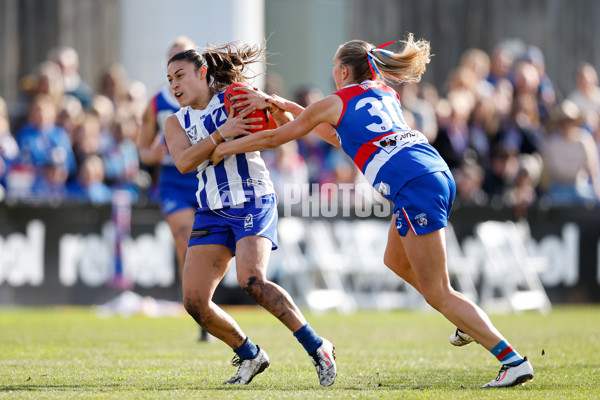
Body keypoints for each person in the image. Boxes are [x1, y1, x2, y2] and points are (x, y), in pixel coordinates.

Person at [211, 34, 534, 388]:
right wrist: (276, 101)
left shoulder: (336, 100)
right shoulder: (384, 93)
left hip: (414, 184)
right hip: (433, 170)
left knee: (438, 291)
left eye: (334, 66)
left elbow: (278, 138)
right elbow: (337, 136)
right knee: (395, 261)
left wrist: (223, 148)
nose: (332, 71)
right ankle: (461, 315)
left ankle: (512, 361)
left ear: (344, 70)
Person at [163, 43, 337, 386]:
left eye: (180, 76)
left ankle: (318, 347)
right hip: (211, 210)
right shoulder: (175, 121)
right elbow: (184, 163)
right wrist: (220, 135)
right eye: (169, 79)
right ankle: (250, 354)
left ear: (203, 73)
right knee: (195, 302)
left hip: (252, 199)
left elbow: (287, 125)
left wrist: (271, 104)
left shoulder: (236, 97)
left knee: (252, 282)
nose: (174, 85)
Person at [138, 37, 212, 342]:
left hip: (205, 178)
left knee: (209, 247)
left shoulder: (209, 98)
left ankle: (204, 303)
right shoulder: (156, 103)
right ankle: (199, 312)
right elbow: (141, 150)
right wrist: (157, 153)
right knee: (186, 238)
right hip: (172, 181)